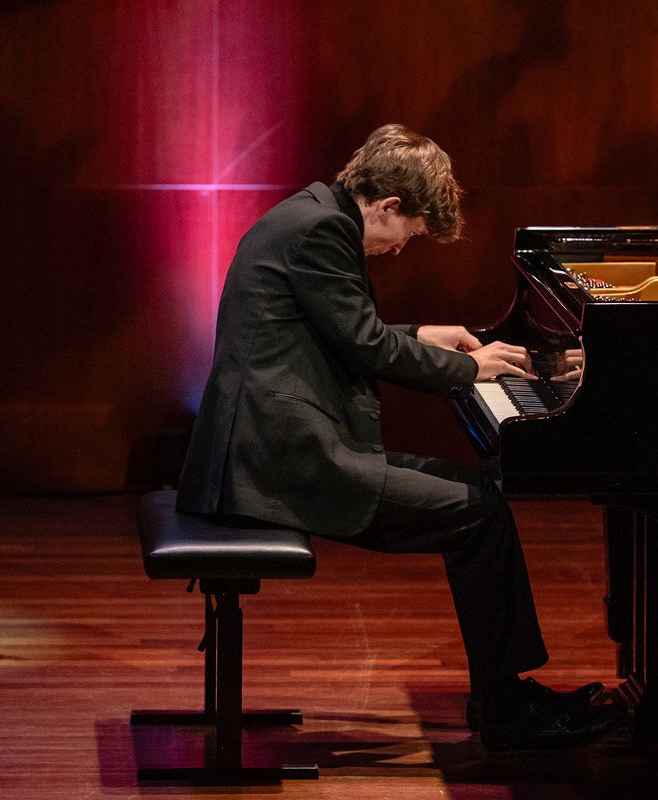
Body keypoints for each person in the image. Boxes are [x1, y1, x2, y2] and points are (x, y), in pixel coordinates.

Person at [177, 123, 618, 751]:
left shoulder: (311, 214)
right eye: (407, 232)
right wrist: (468, 368)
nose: (399, 248)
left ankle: (502, 697)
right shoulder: (322, 231)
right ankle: (507, 711)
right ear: (387, 205)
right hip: (281, 460)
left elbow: (346, 330)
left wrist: (423, 334)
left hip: (276, 444)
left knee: (478, 495)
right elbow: (367, 347)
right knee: (479, 515)